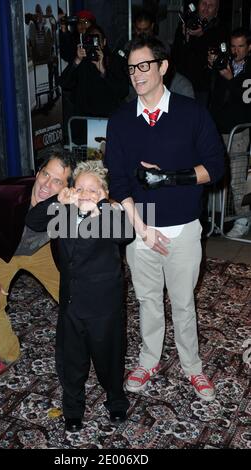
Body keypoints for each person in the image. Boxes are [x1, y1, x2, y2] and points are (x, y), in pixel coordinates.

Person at [104, 35, 225, 402]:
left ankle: (193, 367)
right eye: (131, 68)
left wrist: (172, 177)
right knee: (147, 300)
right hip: (141, 225)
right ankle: (148, 360)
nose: (136, 74)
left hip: (184, 226)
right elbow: (119, 180)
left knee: (183, 301)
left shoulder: (191, 112)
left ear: (162, 67)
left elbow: (217, 167)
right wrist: (141, 229)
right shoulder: (122, 120)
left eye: (144, 66)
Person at [26, 160, 134, 432]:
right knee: (71, 359)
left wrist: (98, 210)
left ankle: (116, 399)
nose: (85, 193)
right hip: (72, 302)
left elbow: (127, 233)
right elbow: (33, 220)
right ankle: (73, 407)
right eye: (80, 188)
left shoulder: (110, 214)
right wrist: (57, 200)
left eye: (93, 189)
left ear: (104, 194)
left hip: (104, 306)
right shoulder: (64, 211)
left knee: (109, 355)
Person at [0, 152, 72, 380]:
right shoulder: (4, 191)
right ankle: (8, 353)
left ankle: (86, 348)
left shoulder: (69, 203)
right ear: (37, 173)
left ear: (67, 190)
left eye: (57, 181)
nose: (47, 184)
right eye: (46, 174)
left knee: (75, 296)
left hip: (42, 251)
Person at [209, 28, 251, 238]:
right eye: (233, 46)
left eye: (240, 46)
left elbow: (246, 101)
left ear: (249, 47)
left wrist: (230, 78)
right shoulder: (224, 64)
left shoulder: (249, 70)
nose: (236, 51)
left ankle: (243, 218)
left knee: (237, 177)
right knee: (218, 174)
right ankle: (218, 219)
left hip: (240, 130)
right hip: (220, 127)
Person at [61, 24, 129, 144]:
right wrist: (77, 60)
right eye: (90, 40)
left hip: (108, 126)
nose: (94, 44)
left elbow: (123, 91)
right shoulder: (81, 62)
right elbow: (64, 83)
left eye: (97, 40)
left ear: (104, 42)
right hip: (83, 128)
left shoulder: (114, 61)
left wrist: (104, 71)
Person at [172, 0, 228, 105]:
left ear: (216, 11)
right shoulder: (186, 23)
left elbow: (217, 56)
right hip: (182, 83)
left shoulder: (220, 29)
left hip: (204, 87)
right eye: (204, 4)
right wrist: (186, 38)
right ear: (198, 6)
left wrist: (201, 36)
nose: (206, 8)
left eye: (211, 5)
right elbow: (175, 55)